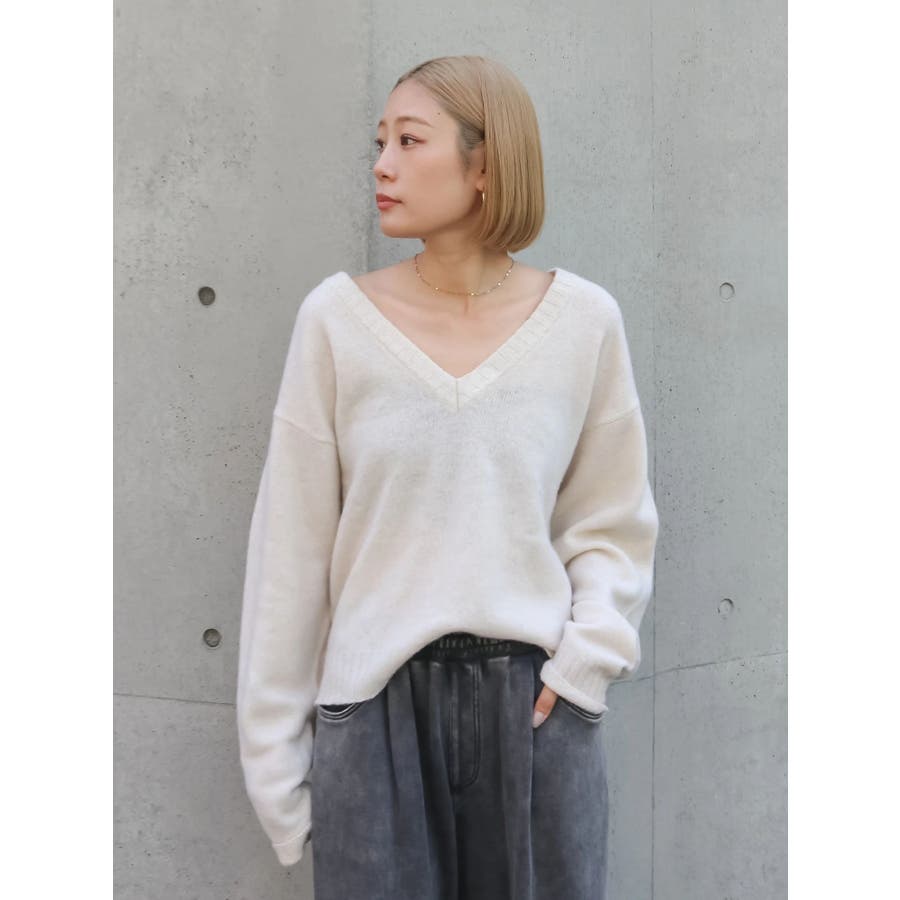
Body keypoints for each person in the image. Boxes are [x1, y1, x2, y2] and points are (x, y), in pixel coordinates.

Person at [235, 55, 659, 900]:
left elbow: (610, 522)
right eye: (379, 143)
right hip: (374, 719)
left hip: (535, 715)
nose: (381, 166)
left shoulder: (583, 323)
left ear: (485, 163)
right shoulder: (336, 322)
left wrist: (583, 669)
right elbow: (290, 554)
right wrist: (277, 769)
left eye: (409, 140)